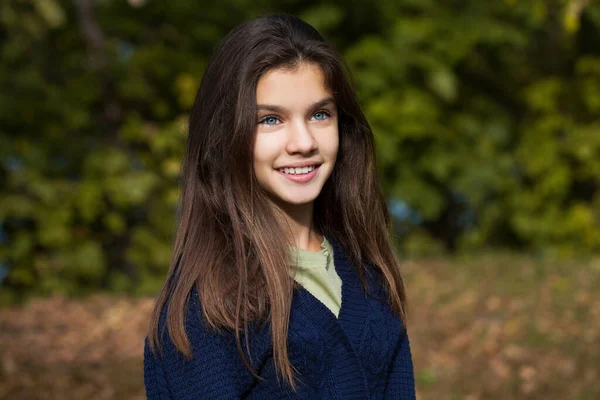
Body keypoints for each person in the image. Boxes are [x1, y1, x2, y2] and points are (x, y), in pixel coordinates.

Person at [144, 13, 415, 399]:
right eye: (271, 120)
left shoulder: (371, 278)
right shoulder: (211, 305)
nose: (303, 141)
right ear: (226, 134)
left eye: (320, 114)